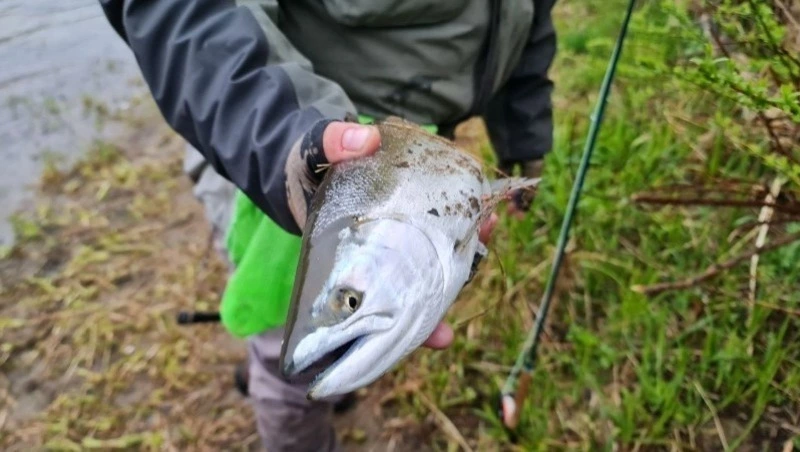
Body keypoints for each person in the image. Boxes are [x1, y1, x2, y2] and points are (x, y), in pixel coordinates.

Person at [98, 1, 557, 450]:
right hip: (292, 156)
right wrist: (282, 138)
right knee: (289, 371)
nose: (351, 300)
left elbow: (524, 19)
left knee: (315, 356)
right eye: (350, 300)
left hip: (407, 161)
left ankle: (320, 372)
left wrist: (523, 134)